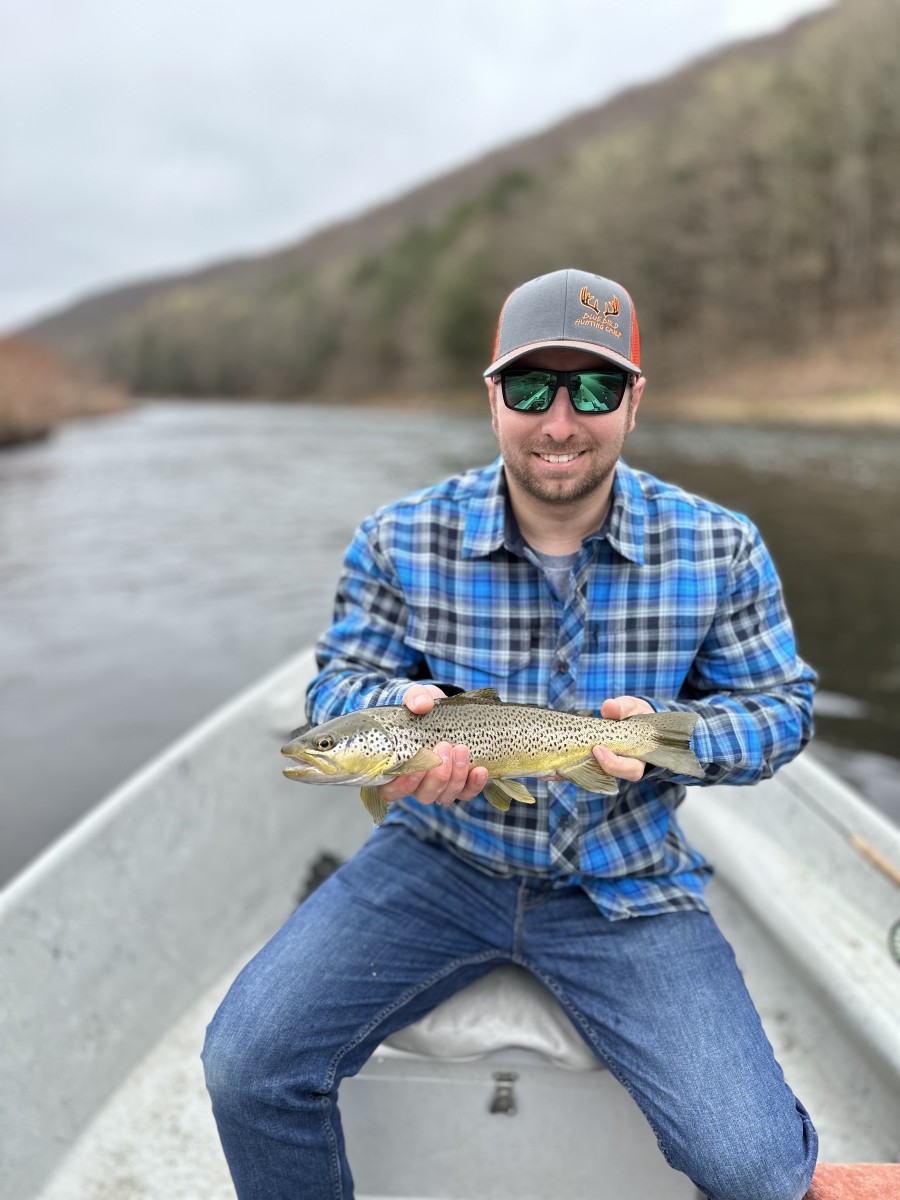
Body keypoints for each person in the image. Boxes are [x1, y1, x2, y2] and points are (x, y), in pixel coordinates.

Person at [203, 267, 819, 1199]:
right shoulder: (398, 536)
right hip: (434, 860)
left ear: (633, 401)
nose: (560, 421)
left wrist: (675, 733)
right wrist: (385, 711)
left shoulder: (721, 544)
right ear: (493, 397)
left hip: (629, 878)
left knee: (758, 1170)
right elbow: (340, 684)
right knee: (244, 1067)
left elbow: (782, 708)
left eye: (594, 388)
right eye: (531, 388)